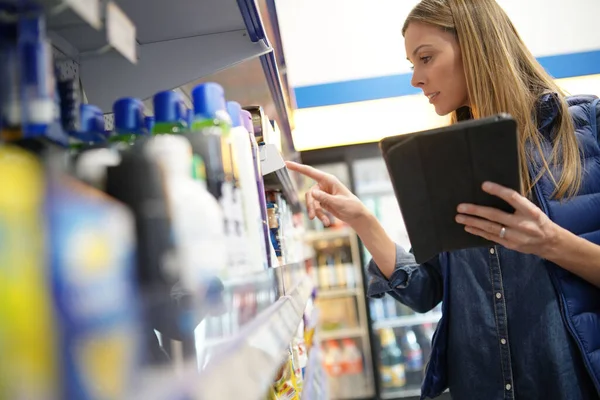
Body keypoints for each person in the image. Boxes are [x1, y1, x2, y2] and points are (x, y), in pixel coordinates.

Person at [287, 0, 600, 399]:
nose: (416, 78)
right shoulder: (447, 162)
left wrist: (552, 242)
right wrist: (362, 219)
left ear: (474, 45)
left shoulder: (588, 130)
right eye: (412, 64)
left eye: (426, 57)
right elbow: (425, 288)